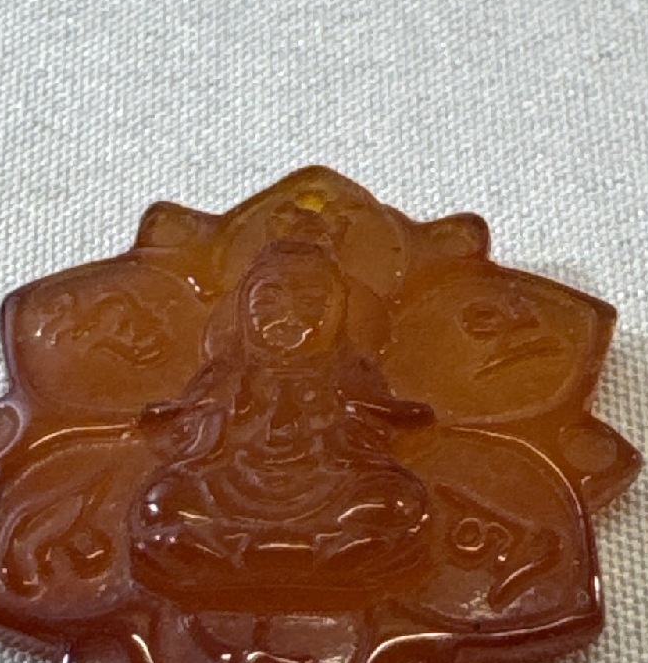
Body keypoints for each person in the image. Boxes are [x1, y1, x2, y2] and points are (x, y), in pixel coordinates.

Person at [129, 239, 435, 591]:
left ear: (336, 314)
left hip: (330, 482)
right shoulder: (225, 374)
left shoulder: (351, 371)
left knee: (395, 500)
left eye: (308, 302)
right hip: (233, 483)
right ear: (243, 312)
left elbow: (382, 415)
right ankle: (313, 553)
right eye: (268, 301)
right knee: (164, 499)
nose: (288, 315)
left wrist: (366, 410)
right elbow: (189, 418)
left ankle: (241, 553)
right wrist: (189, 414)